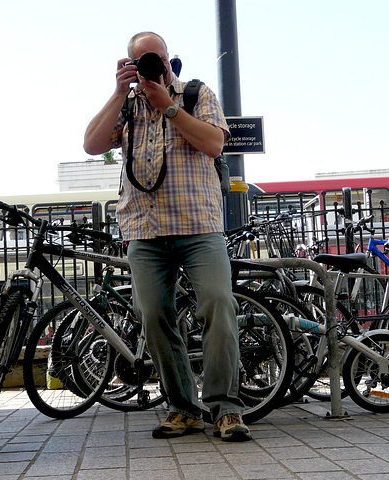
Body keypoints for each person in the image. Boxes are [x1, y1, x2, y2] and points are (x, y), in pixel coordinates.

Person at [84, 32, 251, 442]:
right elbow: (91, 144)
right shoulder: (126, 104)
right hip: (144, 230)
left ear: (168, 59)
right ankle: (183, 408)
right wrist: (118, 91)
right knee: (153, 317)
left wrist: (170, 107)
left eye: (156, 58)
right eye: (141, 61)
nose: (151, 66)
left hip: (198, 226)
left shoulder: (195, 93)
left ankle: (225, 407)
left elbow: (214, 143)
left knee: (217, 305)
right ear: (130, 64)